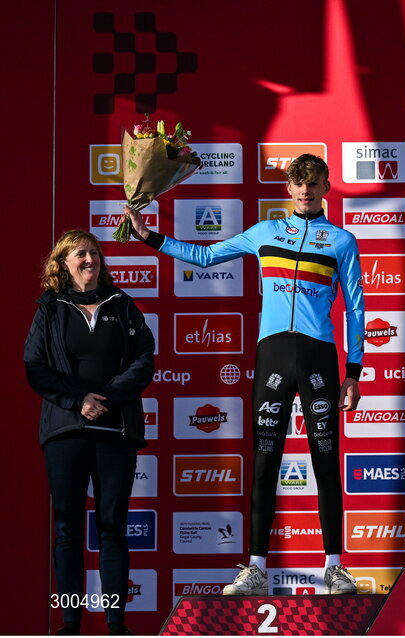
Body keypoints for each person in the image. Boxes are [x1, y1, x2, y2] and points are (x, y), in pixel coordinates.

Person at [125, 154, 365, 595]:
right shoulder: (265, 232)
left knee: (326, 460)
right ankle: (255, 568)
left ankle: (334, 566)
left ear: (326, 187)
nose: (306, 191)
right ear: (289, 189)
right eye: (298, 184)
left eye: (313, 183)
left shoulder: (342, 241)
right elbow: (205, 255)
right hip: (273, 354)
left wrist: (354, 371)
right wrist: (152, 238)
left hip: (318, 359)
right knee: (264, 462)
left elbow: (355, 308)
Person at [25, 230, 155, 635]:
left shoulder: (123, 305)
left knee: (113, 524)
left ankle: (116, 625)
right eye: (80, 253)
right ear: (62, 263)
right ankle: (70, 624)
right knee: (67, 527)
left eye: (94, 253)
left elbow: (144, 359)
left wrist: (109, 398)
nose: (89, 259)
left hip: (115, 429)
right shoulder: (50, 308)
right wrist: (78, 401)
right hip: (66, 430)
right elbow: (35, 365)